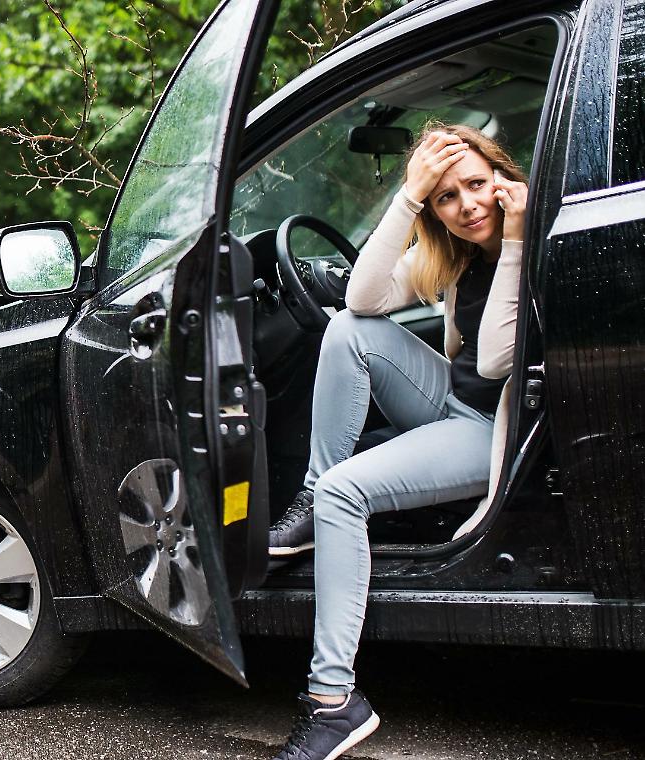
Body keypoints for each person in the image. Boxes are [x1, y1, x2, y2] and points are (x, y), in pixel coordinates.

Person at [268, 123, 528, 760]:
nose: (466, 205)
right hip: (453, 399)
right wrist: (407, 197)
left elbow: (496, 361)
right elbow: (362, 298)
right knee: (347, 331)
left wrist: (517, 238)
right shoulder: (454, 254)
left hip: (495, 427)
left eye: (475, 184)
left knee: (344, 492)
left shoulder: (539, 239)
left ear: (501, 176)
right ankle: (306, 501)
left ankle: (334, 702)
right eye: (446, 197)